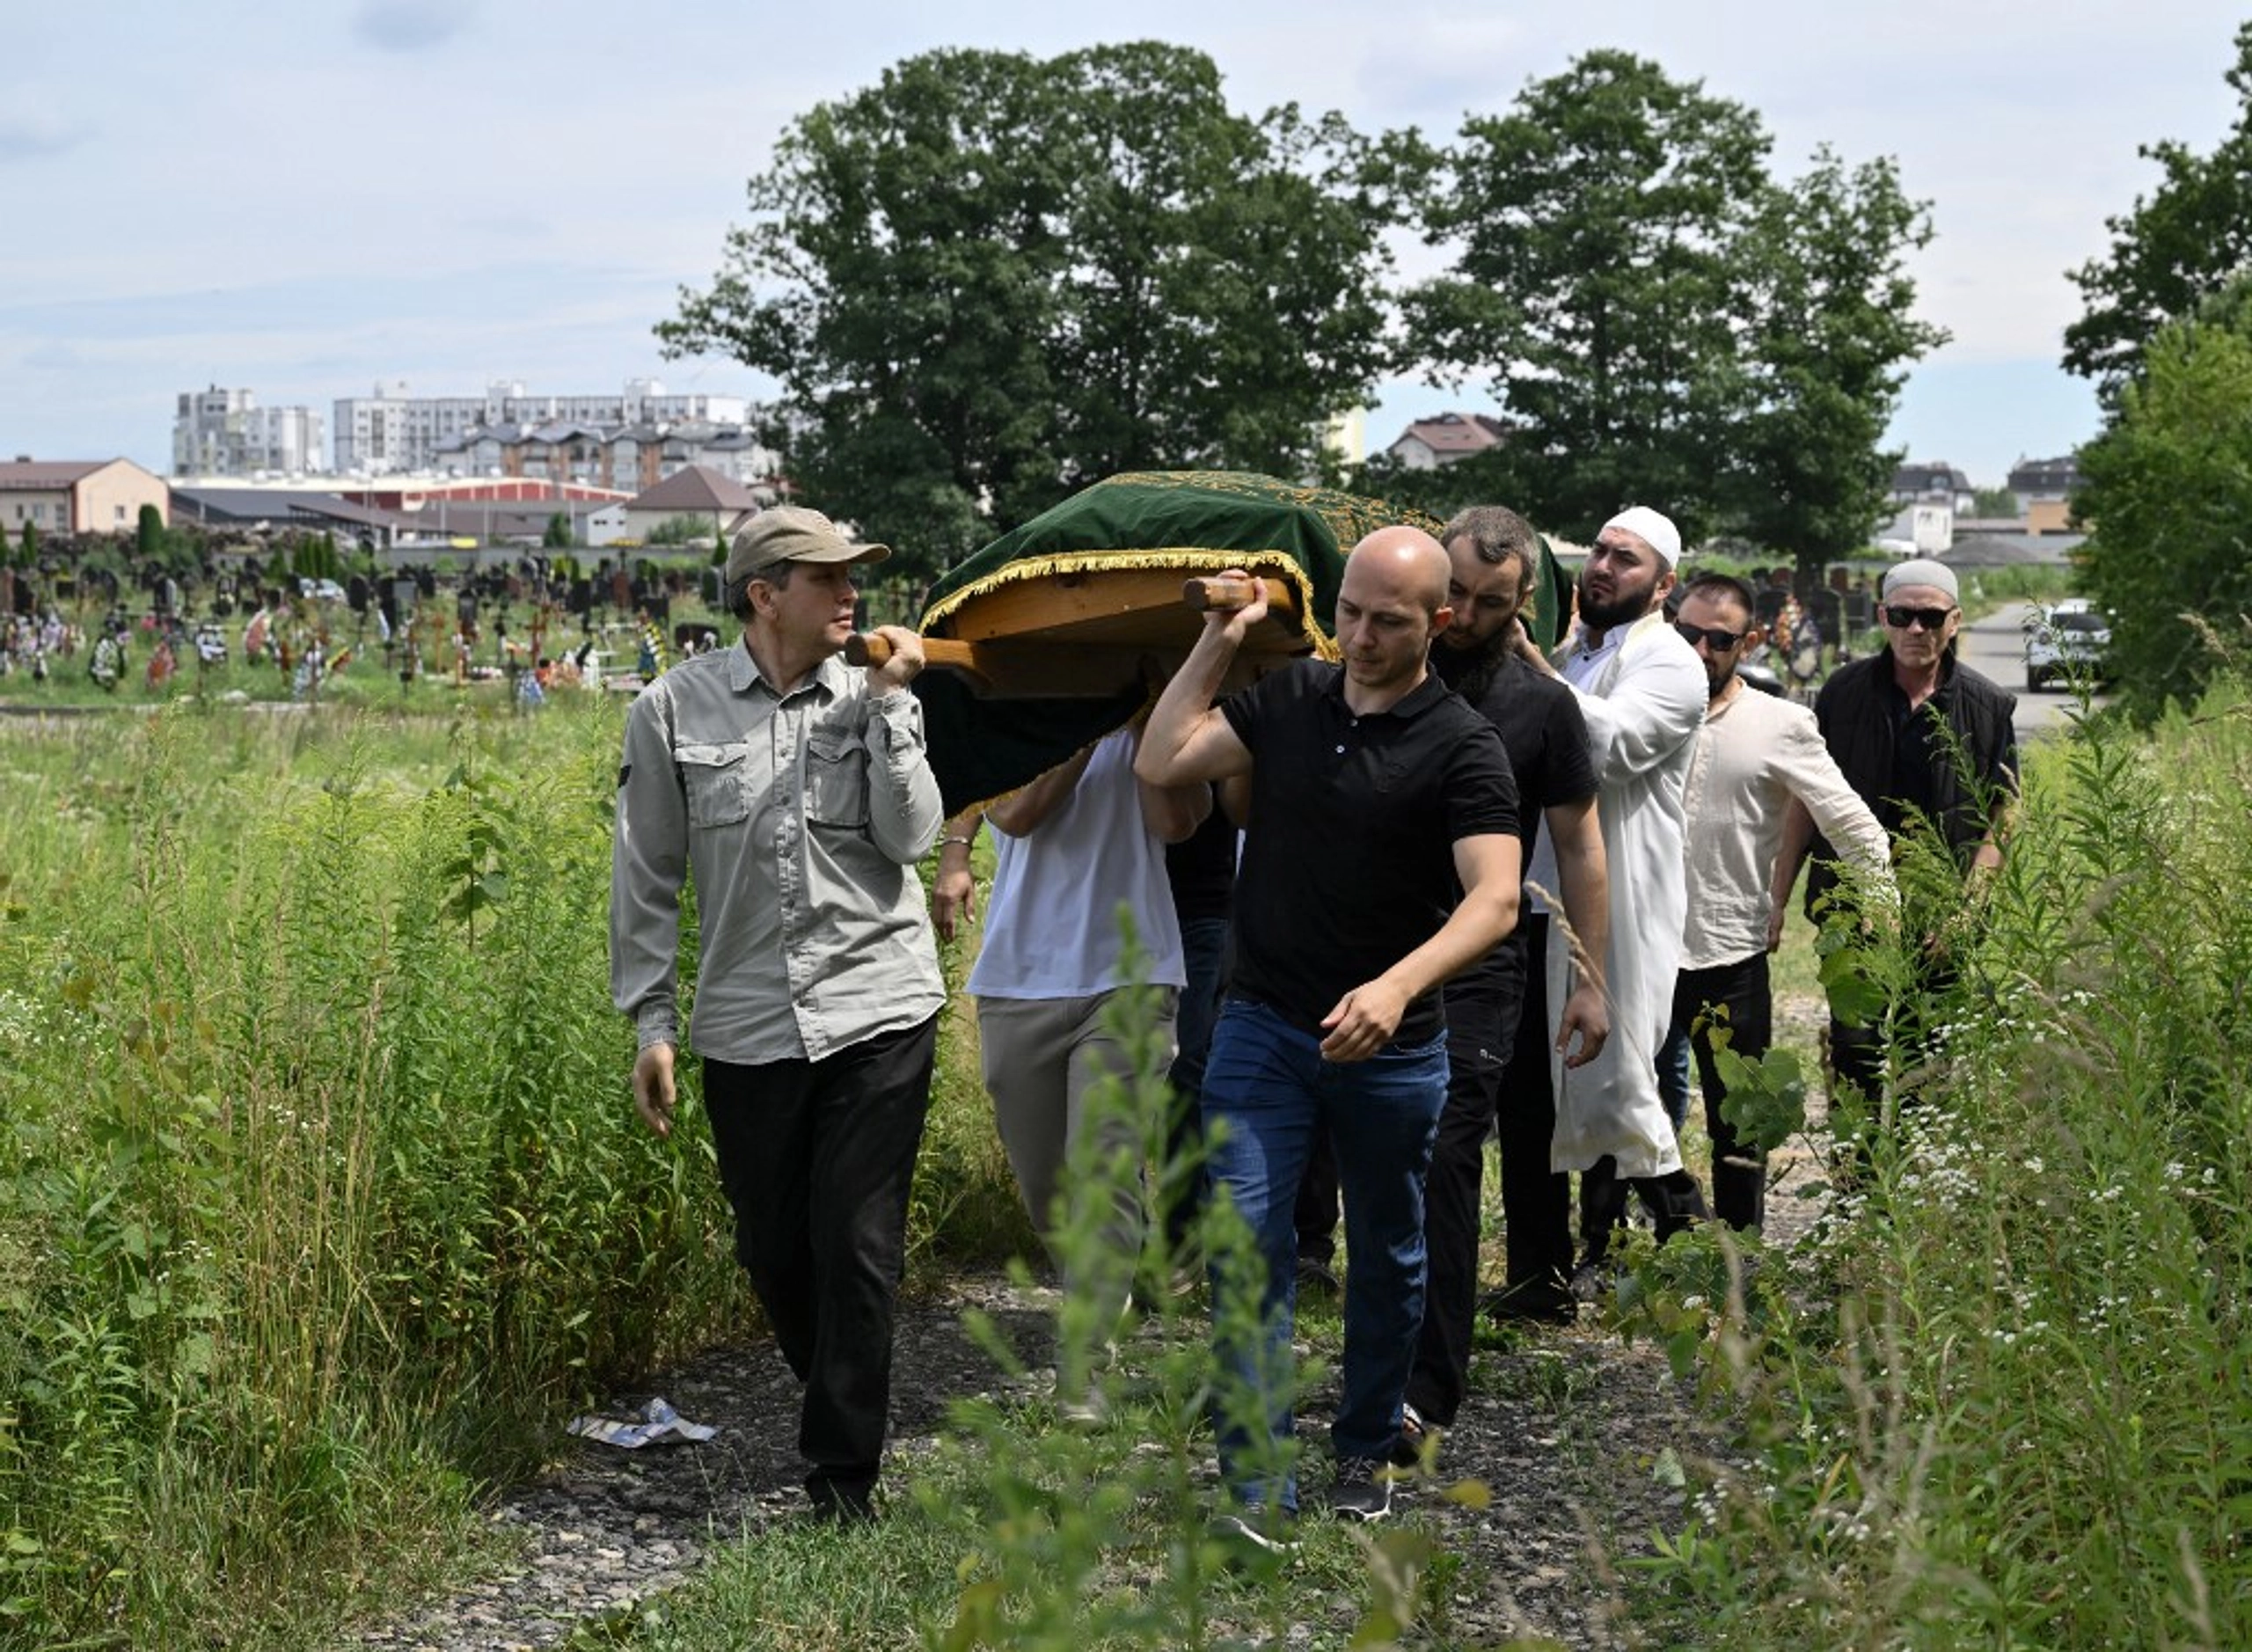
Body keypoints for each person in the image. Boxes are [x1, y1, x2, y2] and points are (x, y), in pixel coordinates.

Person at [1135, 527, 1522, 1535]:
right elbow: (1164, 755)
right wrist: (1223, 636)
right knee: (1245, 1244)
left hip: (1391, 1050)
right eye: (1348, 611)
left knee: (1388, 1251)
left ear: (1437, 623)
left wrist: (1395, 988)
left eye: (1387, 621)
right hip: (1262, 1027)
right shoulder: (1290, 701)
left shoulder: (1461, 744)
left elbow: (1494, 901)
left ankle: (1362, 1450)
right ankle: (1258, 1484)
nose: (1358, 636)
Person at [609, 504, 944, 1524]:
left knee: (856, 1244)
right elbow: (646, 875)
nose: (851, 594)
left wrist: (891, 710)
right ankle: (841, 1384)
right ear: (764, 595)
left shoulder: (876, 691)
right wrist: (651, 1022)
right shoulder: (673, 710)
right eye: (827, 578)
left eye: (855, 576)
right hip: (748, 1019)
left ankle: (843, 1482)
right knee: (773, 1249)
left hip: (879, 1000)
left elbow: (914, 838)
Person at [1404, 505, 1610, 1446]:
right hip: (1365, 948)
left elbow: (1580, 849)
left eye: (1492, 600)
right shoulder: (1374, 673)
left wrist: (1590, 979)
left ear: (1527, 599)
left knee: (1443, 1154)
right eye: (1453, 594)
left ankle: (1425, 1384)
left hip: (1486, 959)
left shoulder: (1542, 708)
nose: (1468, 613)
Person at [960, 721, 1210, 1416]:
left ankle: (1084, 1360)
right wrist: (1090, 720)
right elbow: (1016, 813)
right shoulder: (1019, 719)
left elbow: (1176, 821)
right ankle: (1107, 1288)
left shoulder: (1159, 720)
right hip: (1019, 977)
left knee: (1101, 1167)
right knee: (1049, 1187)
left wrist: (1149, 726)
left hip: (1133, 974)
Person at [1510, 508, 1711, 1284]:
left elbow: (1611, 749)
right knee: (1530, 1098)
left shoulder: (1672, 664)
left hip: (1616, 911)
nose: (1600, 567)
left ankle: (1697, 1257)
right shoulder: (1572, 653)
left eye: (1625, 560)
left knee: (1620, 1092)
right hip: (1534, 900)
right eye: (1598, 551)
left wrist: (1534, 675)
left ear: (1662, 586)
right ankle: (1540, 1280)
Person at [1668, 574, 1892, 1230]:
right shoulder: (1640, 710)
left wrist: (1880, 907)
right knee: (1623, 1113)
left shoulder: (1781, 724)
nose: (1699, 651)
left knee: (1739, 1122)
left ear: (1751, 641)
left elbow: (1852, 825)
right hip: (1636, 952)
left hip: (1727, 953)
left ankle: (1741, 1260)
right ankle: (1620, 1242)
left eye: (1718, 639)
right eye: (1686, 634)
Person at [1777, 557, 2017, 1133]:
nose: (1917, 630)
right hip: (1851, 912)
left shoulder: (1987, 707)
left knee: (1926, 1064)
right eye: (1904, 615)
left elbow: (2003, 817)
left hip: (1941, 924)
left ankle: (1914, 1205)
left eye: (1930, 617)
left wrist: (1967, 911)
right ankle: (1855, 1190)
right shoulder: (1842, 693)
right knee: (1855, 1053)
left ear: (1954, 621)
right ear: (1883, 617)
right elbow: (1805, 801)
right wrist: (1775, 899)